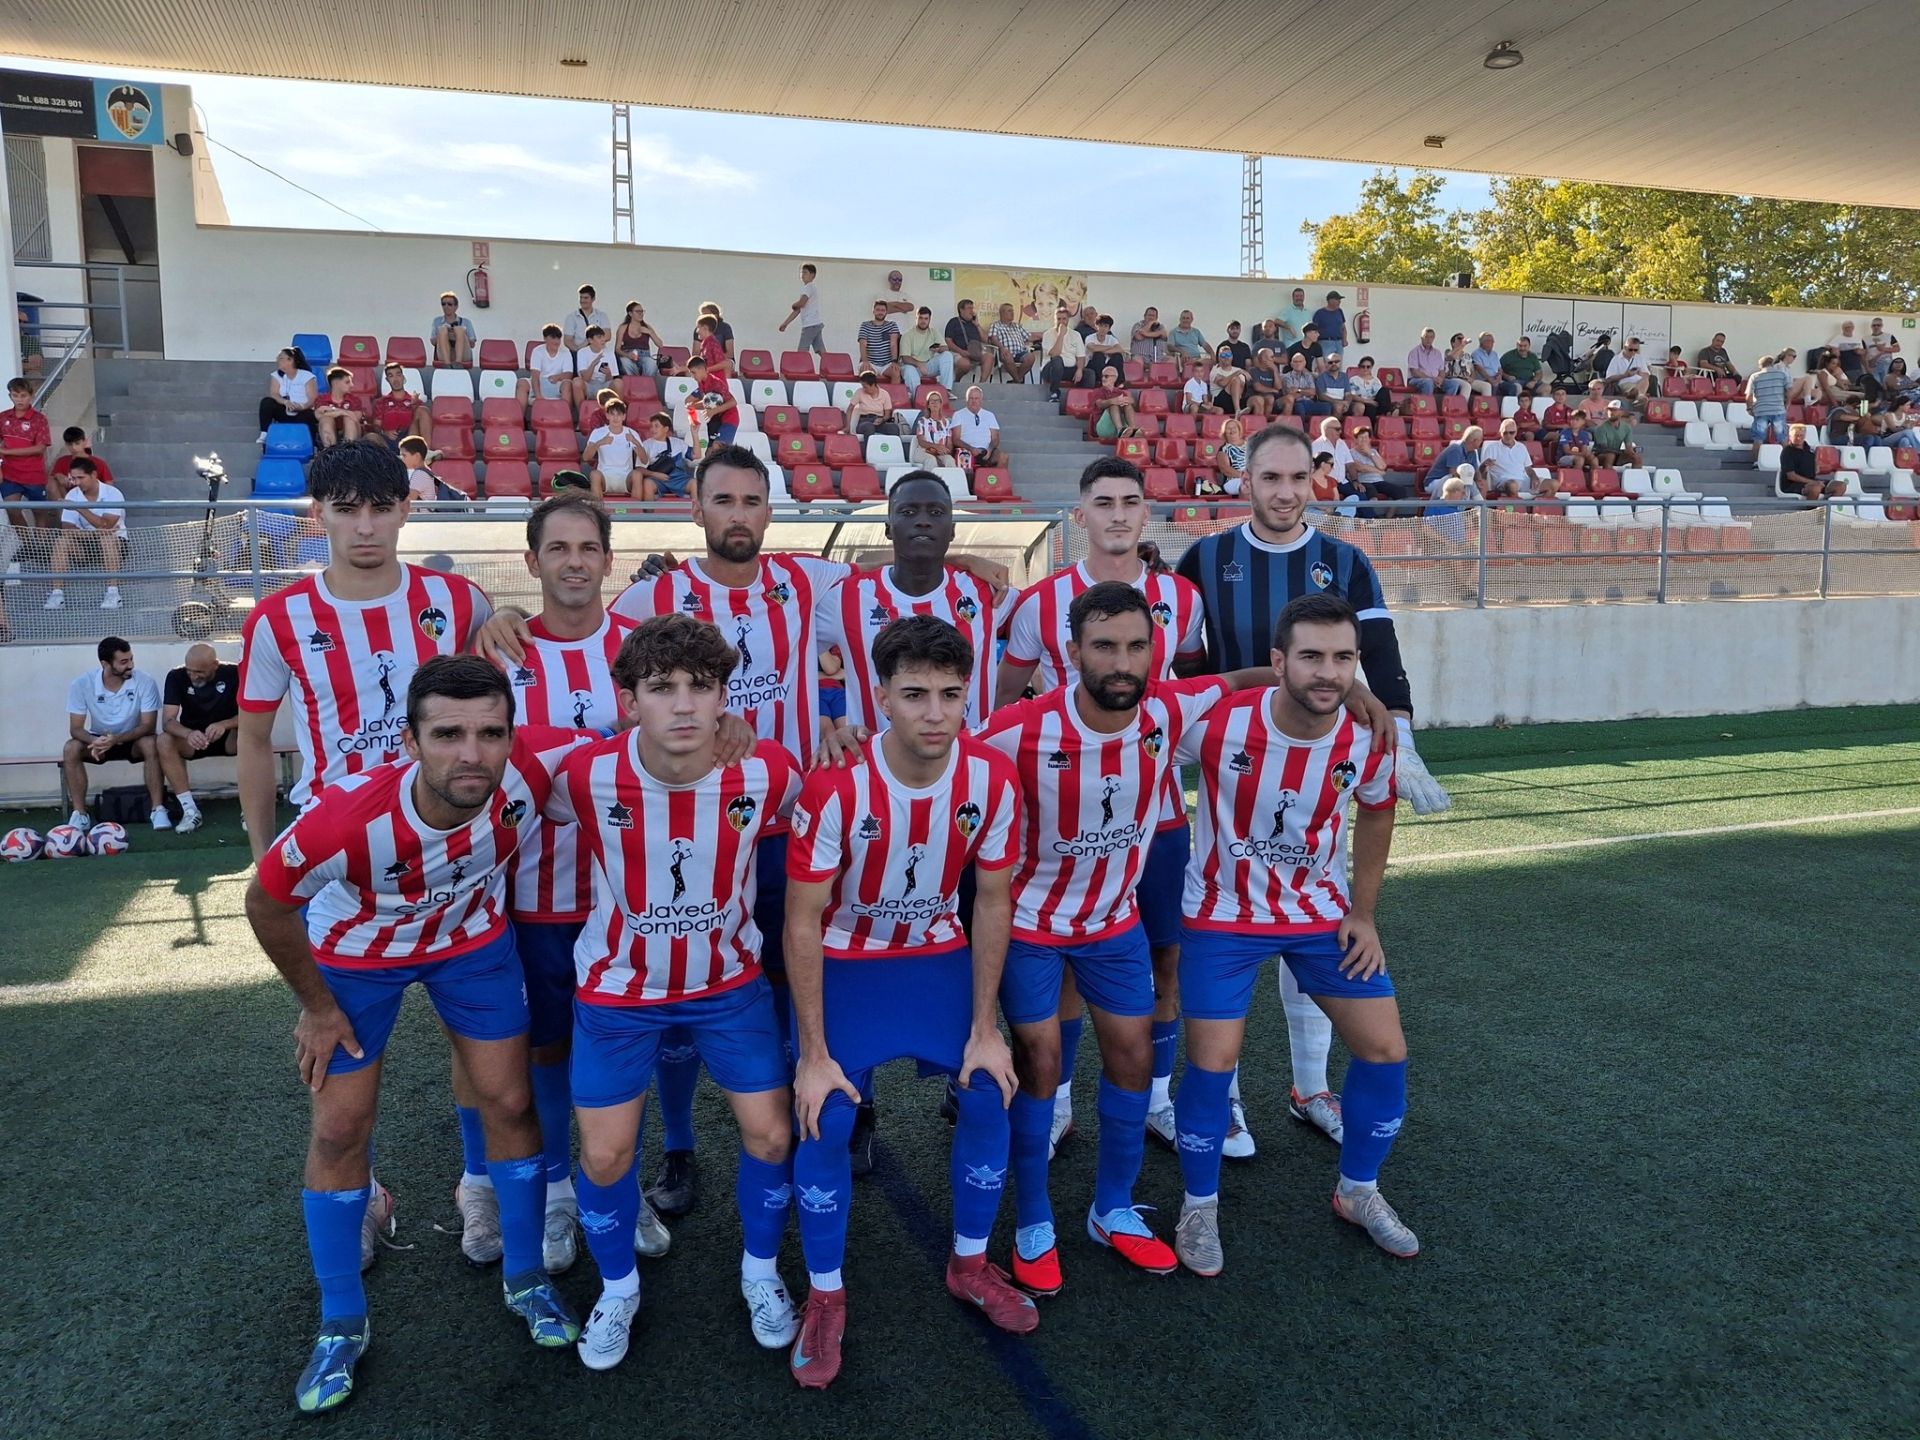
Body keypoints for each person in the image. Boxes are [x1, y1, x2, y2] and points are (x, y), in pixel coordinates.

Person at [246, 657, 585, 1412]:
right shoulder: (346, 819)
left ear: (510, 733)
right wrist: (317, 1006)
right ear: (410, 741)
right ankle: (340, 1323)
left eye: (490, 732)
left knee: (511, 1101)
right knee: (340, 1130)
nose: (472, 753)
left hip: (470, 946)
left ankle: (525, 1277)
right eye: (448, 734)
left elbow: (635, 743)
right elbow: (265, 905)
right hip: (356, 961)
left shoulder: (531, 768)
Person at [978, 583, 1267, 1296]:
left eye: (1137, 646)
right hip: (1031, 928)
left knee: (1135, 1057)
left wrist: (1357, 694)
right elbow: (938, 750)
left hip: (1114, 926)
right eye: (1104, 646)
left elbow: (1241, 678)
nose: (1122, 662)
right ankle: (1035, 1219)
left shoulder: (1167, 710)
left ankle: (1111, 1209)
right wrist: (845, 736)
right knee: (1041, 1062)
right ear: (1072, 651)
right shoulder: (1019, 727)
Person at [1174, 425, 1448, 1158]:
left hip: (1321, 769)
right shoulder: (1205, 557)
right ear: (1247, 482)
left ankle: (1308, 1087)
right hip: (1230, 765)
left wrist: (1402, 732)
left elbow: (1379, 653)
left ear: (1313, 481)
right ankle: (1223, 1101)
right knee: (1222, 921)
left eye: (1299, 478)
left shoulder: (1346, 561)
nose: (1286, 492)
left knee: (1316, 917)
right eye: (1271, 478)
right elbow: (1186, 664)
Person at [543, 616, 804, 1371]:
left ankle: (760, 1271)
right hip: (619, 992)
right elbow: (494, 763)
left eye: (703, 687)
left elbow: (832, 799)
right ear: (628, 700)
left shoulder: (766, 771)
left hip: (729, 987)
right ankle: (618, 1287)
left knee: (772, 1135)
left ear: (726, 695)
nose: (685, 705)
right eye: (662, 688)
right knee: (604, 1154)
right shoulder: (581, 774)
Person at [783, 616, 1031, 1387]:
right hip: (849, 965)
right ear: (882, 697)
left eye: (950, 695)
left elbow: (992, 903)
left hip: (937, 959)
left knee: (991, 1093)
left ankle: (968, 1263)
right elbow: (802, 920)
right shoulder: (834, 785)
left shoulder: (990, 777)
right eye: (915, 694)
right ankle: (824, 1295)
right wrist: (815, 1054)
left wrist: (986, 1027)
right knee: (823, 1114)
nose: (934, 712)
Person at [1169, 593, 1417, 1274]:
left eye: (1343, 659)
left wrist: (1362, 913)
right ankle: (1199, 1205)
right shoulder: (1219, 723)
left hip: (1319, 916)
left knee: (1385, 1048)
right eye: (1310, 656)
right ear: (1279, 661)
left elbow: (1375, 812)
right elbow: (1149, 718)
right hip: (1222, 914)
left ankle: (1357, 1190)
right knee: (1214, 1062)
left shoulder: (1367, 736)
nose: (1327, 673)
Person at [479, 497, 677, 1276]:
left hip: (625, 896)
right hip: (526, 898)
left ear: (608, 561)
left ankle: (615, 1190)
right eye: (556, 548)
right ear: (531, 563)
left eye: (587, 547)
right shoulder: (498, 653)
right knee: (548, 1051)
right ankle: (562, 1192)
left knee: (625, 1048)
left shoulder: (641, 651)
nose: (572, 561)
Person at [996, 459, 1208, 1156]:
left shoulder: (1183, 596)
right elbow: (1006, 706)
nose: (1118, 515)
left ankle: (1155, 1097)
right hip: (1062, 827)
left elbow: (1198, 693)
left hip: (1159, 814)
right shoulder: (1040, 602)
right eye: (1103, 503)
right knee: (1062, 965)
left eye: (1130, 502)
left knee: (1167, 958)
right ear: (1079, 515)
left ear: (1147, 513)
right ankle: (1054, 1102)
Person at [238, 439, 494, 861]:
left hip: (446, 840)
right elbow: (252, 739)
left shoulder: (461, 601)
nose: (365, 527)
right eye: (346, 510)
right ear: (318, 514)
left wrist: (511, 613)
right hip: (332, 839)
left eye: (380, 508)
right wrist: (263, 857)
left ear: (405, 510)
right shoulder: (277, 618)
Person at [819, 472, 999, 734]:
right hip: (876, 767)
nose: (923, 521)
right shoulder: (845, 598)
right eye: (908, 511)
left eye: (936, 512)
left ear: (952, 530)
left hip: (968, 766)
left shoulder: (989, 592)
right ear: (888, 528)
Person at [62, 635, 164, 832]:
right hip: (98, 741)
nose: (130, 665)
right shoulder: (82, 684)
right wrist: (95, 740)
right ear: (105, 664)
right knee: (71, 748)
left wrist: (116, 739)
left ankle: (157, 810)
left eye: (131, 659)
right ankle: (80, 814)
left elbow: (148, 726)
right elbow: (75, 728)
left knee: (152, 743)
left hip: (133, 740)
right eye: (124, 662)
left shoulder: (145, 681)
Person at [156, 643, 238, 834]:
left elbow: (252, 716)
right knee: (163, 740)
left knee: (251, 733)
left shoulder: (235, 673)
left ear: (215, 665)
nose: (193, 676)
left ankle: (249, 808)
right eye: (190, 671)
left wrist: (224, 725)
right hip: (193, 740)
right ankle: (189, 809)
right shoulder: (176, 676)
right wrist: (188, 733)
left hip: (230, 738)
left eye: (199, 672)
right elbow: (168, 721)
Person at [44, 457, 128, 612]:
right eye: (73, 478)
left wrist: (79, 508)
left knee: (107, 539)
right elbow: (68, 529)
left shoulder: (113, 493)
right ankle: (57, 594)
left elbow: (106, 524)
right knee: (61, 541)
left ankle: (113, 593)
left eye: (81, 478)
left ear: (94, 475)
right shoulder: (72, 495)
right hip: (85, 545)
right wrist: (95, 534)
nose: (76, 482)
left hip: (115, 543)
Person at [584, 398, 640, 499]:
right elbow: (586, 457)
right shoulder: (598, 432)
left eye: (618, 414)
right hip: (605, 477)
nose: (615, 418)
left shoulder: (632, 433)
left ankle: (635, 513)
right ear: (607, 415)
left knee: (637, 475)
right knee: (594, 474)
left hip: (626, 477)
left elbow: (644, 460)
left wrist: (635, 443)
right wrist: (600, 443)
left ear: (624, 416)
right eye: (612, 414)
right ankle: (598, 511)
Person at [258, 349, 319, 443]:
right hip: (284, 409)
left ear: (291, 360)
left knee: (309, 415)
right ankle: (265, 433)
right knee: (267, 402)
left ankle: (311, 443)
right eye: (278, 358)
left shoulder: (307, 376)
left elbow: (312, 398)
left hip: (302, 410)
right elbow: (274, 393)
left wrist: (301, 407)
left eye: (281, 358)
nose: (278, 360)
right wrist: (285, 402)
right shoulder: (276, 375)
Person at [637, 412, 693, 501]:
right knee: (647, 483)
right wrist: (655, 474)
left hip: (678, 479)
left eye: (656, 426)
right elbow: (639, 469)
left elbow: (696, 455)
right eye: (651, 426)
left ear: (666, 429)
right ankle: (649, 514)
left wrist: (695, 433)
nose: (652, 429)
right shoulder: (646, 445)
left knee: (695, 484)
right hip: (657, 480)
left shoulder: (678, 443)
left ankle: (696, 513)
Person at [48, 425, 114, 500]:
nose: (74, 447)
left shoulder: (98, 462)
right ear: (66, 445)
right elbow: (53, 480)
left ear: (84, 442)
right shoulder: (62, 461)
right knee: (51, 482)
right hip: (69, 498)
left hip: (92, 498)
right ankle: (64, 509)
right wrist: (58, 475)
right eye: (70, 444)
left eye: (77, 443)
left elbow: (108, 484)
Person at [1037, 302, 1088, 400]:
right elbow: (1054, 354)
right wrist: (1061, 335)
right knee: (1057, 360)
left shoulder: (1076, 335)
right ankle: (1054, 394)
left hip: (1068, 369)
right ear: (1054, 320)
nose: (1061, 321)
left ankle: (1081, 400)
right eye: (1058, 319)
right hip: (1050, 369)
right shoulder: (1048, 334)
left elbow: (1081, 356)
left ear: (1068, 320)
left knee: (1089, 374)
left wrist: (1079, 369)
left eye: (1064, 319)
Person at [1776, 423, 1840, 501]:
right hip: (1793, 485)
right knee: (1815, 488)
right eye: (1796, 435)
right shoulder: (1787, 452)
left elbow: (1815, 469)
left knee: (1840, 486)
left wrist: (1816, 467)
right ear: (1790, 436)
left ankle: (1827, 507)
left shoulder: (1809, 450)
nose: (1799, 438)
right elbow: (1791, 476)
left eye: (1801, 435)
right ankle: (1812, 511)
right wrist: (1813, 482)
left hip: (1812, 481)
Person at [685, 356, 739, 447]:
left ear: (702, 369)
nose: (692, 376)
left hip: (729, 419)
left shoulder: (716, 382)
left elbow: (733, 402)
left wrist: (713, 411)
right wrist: (693, 406)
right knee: (710, 452)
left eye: (693, 373)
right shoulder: (701, 382)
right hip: (715, 419)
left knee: (718, 447)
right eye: (691, 373)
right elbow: (708, 403)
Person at [520, 325, 576, 412]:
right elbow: (535, 375)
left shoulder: (566, 352)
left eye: (558, 338)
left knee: (567, 384)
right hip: (539, 382)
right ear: (545, 338)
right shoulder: (537, 351)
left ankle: (565, 417)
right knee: (522, 383)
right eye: (553, 338)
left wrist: (557, 377)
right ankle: (519, 418)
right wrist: (538, 396)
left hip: (557, 384)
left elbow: (568, 374)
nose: (557, 341)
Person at [1745, 356, 1792, 458]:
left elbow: (1748, 396)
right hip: (1778, 409)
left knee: (1758, 438)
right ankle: (1789, 462)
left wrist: (1749, 408)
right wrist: (1787, 404)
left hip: (1761, 410)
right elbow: (1789, 391)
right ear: (1773, 363)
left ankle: (1756, 462)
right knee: (1783, 438)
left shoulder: (1755, 376)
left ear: (1760, 365)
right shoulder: (1782, 375)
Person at [369, 363, 428, 444]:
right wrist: (385, 432)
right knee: (371, 437)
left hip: (409, 439)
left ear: (403, 378)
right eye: (391, 376)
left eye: (398, 375)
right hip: (389, 440)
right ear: (387, 380)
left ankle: (426, 451)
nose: (395, 379)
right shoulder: (381, 402)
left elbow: (418, 423)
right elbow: (376, 425)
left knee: (422, 410)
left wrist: (414, 406)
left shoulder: (414, 401)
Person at [901, 306, 953, 392]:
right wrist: (919, 364)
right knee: (909, 371)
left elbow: (946, 348)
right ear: (916, 318)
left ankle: (945, 391)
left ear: (929, 319)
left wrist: (938, 349)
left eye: (926, 318)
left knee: (947, 355)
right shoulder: (907, 335)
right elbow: (905, 358)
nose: (923, 321)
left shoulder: (933, 332)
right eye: (920, 318)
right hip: (913, 366)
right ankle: (917, 398)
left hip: (928, 365)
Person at [1424, 425, 1486, 497]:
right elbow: (1453, 474)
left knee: (1475, 483)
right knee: (1464, 483)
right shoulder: (1456, 449)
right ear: (1474, 440)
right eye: (1481, 439)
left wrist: (1479, 482)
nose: (1481, 442)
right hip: (1435, 482)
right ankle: (1468, 506)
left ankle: (1480, 505)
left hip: (1454, 480)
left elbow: (1476, 472)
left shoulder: (1472, 452)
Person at [314, 367, 366, 449]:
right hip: (329, 433)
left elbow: (356, 417)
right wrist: (343, 412)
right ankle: (331, 452)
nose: (352, 385)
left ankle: (349, 452)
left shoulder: (354, 400)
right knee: (326, 419)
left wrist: (335, 411)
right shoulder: (321, 399)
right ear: (336, 383)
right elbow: (319, 416)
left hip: (354, 435)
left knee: (349, 419)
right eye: (347, 382)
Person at [1482, 418, 1535, 498]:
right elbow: (1482, 470)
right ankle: (1519, 509)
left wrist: (1535, 478)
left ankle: (1539, 509)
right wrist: (1485, 464)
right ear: (1500, 433)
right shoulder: (1492, 448)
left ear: (1516, 432)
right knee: (1512, 485)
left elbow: (1528, 468)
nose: (1508, 436)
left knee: (1553, 484)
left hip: (1523, 480)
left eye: (1511, 433)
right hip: (1503, 481)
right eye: (1505, 433)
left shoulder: (1522, 447)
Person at [778, 263, 825, 353]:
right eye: (801, 272)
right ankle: (830, 365)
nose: (802, 275)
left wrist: (794, 305)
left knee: (802, 351)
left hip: (810, 325)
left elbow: (801, 303)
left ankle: (800, 367)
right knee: (821, 351)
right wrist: (786, 323)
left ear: (812, 275)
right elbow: (798, 310)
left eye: (805, 272)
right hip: (815, 324)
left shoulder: (809, 286)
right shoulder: (809, 288)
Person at [953, 388, 1004, 469]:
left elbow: (995, 438)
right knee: (964, 457)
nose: (974, 401)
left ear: (981, 400)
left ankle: (997, 481)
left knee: (1003, 457)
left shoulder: (990, 415)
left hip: (987, 450)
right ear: (966, 400)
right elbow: (956, 439)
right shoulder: (958, 415)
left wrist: (989, 450)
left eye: (976, 398)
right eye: (971, 398)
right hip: (966, 451)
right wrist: (971, 448)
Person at [856, 302, 903, 386]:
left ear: (886, 312)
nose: (880, 312)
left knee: (896, 373)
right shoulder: (865, 325)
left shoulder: (892, 325)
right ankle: (868, 399)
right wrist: (865, 361)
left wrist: (894, 361)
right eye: (878, 310)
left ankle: (893, 398)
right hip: (871, 362)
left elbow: (893, 344)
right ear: (873, 311)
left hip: (887, 364)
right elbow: (863, 344)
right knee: (865, 373)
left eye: (883, 310)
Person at [911, 389, 961, 467]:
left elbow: (949, 443)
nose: (935, 403)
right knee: (931, 460)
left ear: (941, 404)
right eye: (932, 401)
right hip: (923, 450)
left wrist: (946, 450)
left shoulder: (946, 423)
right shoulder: (922, 421)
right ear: (928, 405)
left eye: (937, 401)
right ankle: (929, 479)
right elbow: (921, 442)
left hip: (940, 451)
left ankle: (949, 479)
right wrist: (935, 447)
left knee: (950, 460)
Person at [986, 303, 1034, 384]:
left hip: (1020, 353)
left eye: (1012, 311)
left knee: (1031, 357)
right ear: (1002, 313)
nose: (1012, 313)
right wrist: (1002, 348)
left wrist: (1045, 335)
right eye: (1009, 311)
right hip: (1005, 352)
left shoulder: (1017, 326)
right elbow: (993, 338)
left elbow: (1029, 337)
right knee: (1007, 356)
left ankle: (1016, 381)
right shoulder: (996, 325)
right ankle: (1018, 381)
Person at [1089, 365, 1138, 440]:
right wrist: (1113, 401)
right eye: (1102, 376)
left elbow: (1135, 407)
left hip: (1123, 425)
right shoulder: (1097, 391)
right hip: (1103, 428)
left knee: (1128, 405)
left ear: (1114, 378)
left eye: (1106, 376)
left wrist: (1131, 400)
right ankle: (1120, 430)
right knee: (1113, 405)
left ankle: (1133, 430)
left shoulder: (1121, 392)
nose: (1103, 378)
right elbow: (1100, 404)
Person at [943, 299, 985, 385]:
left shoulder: (974, 323)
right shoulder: (953, 322)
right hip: (960, 352)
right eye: (969, 308)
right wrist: (961, 352)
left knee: (990, 357)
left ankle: (982, 384)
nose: (972, 311)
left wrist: (977, 325)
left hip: (975, 352)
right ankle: (957, 381)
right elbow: (948, 341)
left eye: (972, 308)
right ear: (961, 310)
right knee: (965, 364)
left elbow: (985, 339)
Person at [616, 302, 662, 377]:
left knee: (652, 364)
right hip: (628, 354)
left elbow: (660, 344)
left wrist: (650, 332)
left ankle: (646, 382)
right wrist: (627, 355)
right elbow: (617, 349)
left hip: (645, 355)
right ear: (630, 313)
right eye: (638, 311)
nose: (641, 314)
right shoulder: (623, 328)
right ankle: (634, 381)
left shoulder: (647, 327)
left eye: (642, 311)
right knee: (624, 362)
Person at [432, 292, 477, 367]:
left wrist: (459, 335)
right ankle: (447, 364)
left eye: (449, 304)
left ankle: (458, 363)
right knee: (443, 330)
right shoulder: (437, 321)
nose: (446, 307)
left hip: (463, 354)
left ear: (456, 307)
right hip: (444, 354)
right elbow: (433, 342)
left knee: (459, 330)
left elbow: (472, 344)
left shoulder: (466, 322)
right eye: (443, 304)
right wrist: (444, 333)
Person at [575, 326, 621, 400]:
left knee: (618, 382)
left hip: (603, 384)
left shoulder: (609, 353)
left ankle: (619, 409)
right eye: (599, 337)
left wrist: (608, 373)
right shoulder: (582, 352)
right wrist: (593, 364)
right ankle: (581, 410)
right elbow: (585, 379)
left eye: (603, 337)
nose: (603, 340)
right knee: (576, 382)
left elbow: (610, 379)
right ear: (590, 340)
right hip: (589, 385)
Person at [845, 370, 894, 438]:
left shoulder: (885, 394)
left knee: (893, 428)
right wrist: (848, 426)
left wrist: (882, 419)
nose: (864, 389)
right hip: (864, 421)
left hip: (878, 421)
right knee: (869, 427)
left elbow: (887, 415)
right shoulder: (859, 392)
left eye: (865, 387)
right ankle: (868, 448)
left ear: (873, 385)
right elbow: (850, 409)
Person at [1592, 402, 1643, 467]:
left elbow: (1628, 447)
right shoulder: (1601, 428)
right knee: (1610, 456)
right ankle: (1608, 476)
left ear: (1622, 412)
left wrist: (1631, 452)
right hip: (1599, 456)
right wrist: (1621, 452)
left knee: (1637, 458)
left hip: (1616, 455)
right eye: (1609, 410)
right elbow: (1603, 448)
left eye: (1614, 410)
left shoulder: (1626, 427)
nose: (1611, 412)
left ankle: (1635, 476)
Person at [562, 284, 610, 350]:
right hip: (580, 352)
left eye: (586, 298)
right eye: (581, 297)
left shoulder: (602, 315)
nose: (582, 301)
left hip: (599, 352)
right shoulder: (571, 317)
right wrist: (578, 350)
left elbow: (607, 335)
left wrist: (589, 340)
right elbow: (567, 340)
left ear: (593, 299)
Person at [1605, 339, 1652, 404]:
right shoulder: (1616, 359)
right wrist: (1625, 375)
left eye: (1635, 350)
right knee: (1634, 389)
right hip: (1625, 382)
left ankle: (1640, 396)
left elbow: (1647, 375)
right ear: (1625, 348)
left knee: (1645, 379)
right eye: (1630, 350)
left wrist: (1639, 372)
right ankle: (1640, 396)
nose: (1633, 352)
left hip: (1640, 382)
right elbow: (1609, 378)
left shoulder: (1640, 358)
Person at [1405, 327, 1445, 395]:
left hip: (1435, 380)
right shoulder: (1414, 352)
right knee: (1428, 382)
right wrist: (1432, 379)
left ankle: (1446, 404)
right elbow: (1414, 372)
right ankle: (1427, 404)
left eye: (1431, 337)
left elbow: (1441, 370)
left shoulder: (1437, 353)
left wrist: (1440, 379)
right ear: (1421, 338)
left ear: (1434, 338)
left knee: (1453, 384)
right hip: (1416, 380)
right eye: (1426, 337)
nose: (1428, 340)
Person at [1084, 315, 1126, 379]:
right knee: (1098, 355)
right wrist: (1110, 347)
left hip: (1107, 365)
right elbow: (1093, 348)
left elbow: (1120, 349)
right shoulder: (1090, 337)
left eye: (1106, 326)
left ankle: (1118, 381)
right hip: (1092, 365)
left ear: (1109, 329)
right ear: (1096, 326)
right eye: (1101, 325)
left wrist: (1102, 349)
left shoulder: (1111, 338)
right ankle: (1100, 381)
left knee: (1118, 356)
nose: (1103, 328)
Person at [1311, 291, 1348, 360]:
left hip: (1338, 342)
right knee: (1327, 364)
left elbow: (1343, 327)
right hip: (1325, 342)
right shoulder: (1320, 313)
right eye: (1337, 300)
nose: (1339, 302)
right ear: (1330, 300)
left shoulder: (1340, 311)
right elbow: (1314, 329)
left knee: (1338, 364)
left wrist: (1344, 339)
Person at [1468, 333, 1503, 397]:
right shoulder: (1476, 353)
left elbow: (1499, 368)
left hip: (1496, 378)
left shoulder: (1494, 354)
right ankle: (1491, 405)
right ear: (1481, 342)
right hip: (1484, 379)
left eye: (1492, 341)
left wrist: (1499, 376)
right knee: (1492, 385)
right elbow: (1479, 368)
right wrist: (1491, 379)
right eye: (1488, 341)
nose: (1491, 343)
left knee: (1513, 387)